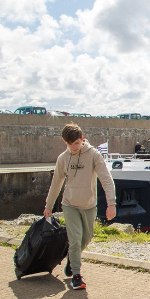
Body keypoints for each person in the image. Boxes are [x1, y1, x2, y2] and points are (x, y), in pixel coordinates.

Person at [43, 123, 117, 290]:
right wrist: (49, 205)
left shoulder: (94, 155)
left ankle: (72, 256)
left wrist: (111, 203)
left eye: (77, 143)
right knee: (75, 239)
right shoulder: (63, 158)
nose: (74, 147)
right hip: (69, 204)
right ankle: (76, 275)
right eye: (70, 144)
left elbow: (106, 179)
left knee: (86, 238)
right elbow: (56, 183)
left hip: (89, 205)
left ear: (82, 139)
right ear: (64, 142)